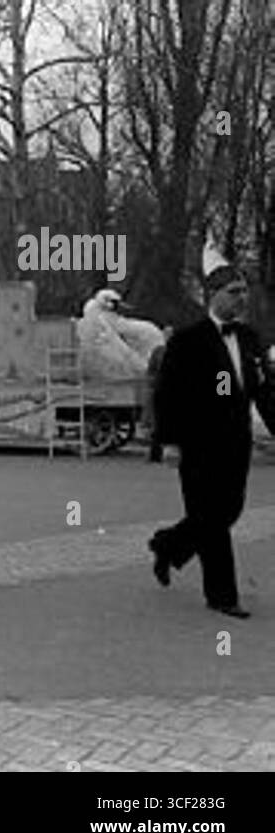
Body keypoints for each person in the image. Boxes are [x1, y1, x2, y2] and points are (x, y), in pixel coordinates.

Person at [149, 251, 275, 619]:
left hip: (236, 443)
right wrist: (169, 442)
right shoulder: (188, 340)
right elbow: (167, 394)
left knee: (227, 511)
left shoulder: (249, 338)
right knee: (212, 519)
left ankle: (168, 545)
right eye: (234, 292)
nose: (242, 298)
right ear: (213, 294)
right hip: (197, 444)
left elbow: (264, 391)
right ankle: (222, 596)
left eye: (244, 291)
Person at [144, 325, 173, 463]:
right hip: (159, 389)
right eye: (166, 334)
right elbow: (150, 370)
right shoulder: (158, 351)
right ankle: (155, 454)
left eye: (170, 335)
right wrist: (152, 382)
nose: (168, 337)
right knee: (157, 423)